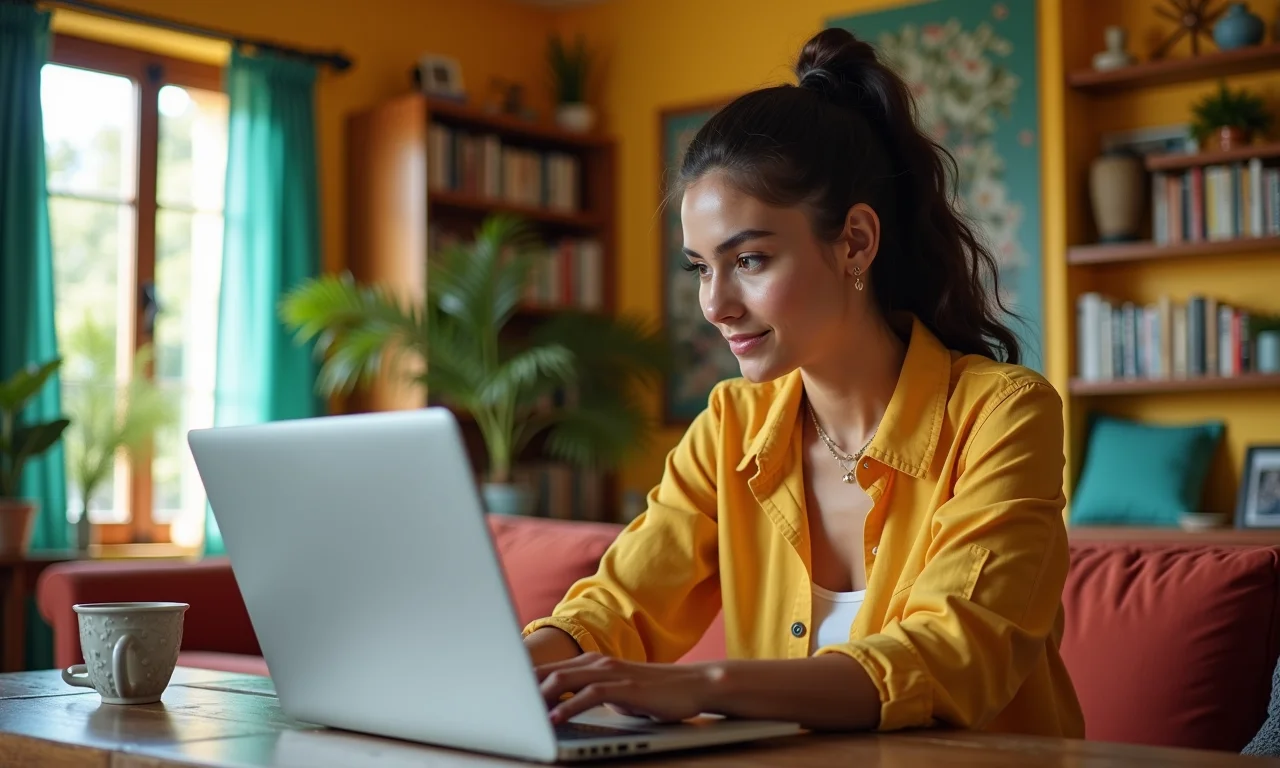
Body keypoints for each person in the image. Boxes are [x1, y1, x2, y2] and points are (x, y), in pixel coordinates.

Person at [522, 26, 1084, 738]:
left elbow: (953, 655)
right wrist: (502, 671)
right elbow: (616, 607)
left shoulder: (1002, 415)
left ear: (855, 241)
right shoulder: (731, 425)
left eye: (749, 260)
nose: (714, 305)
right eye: (701, 266)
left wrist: (696, 685)